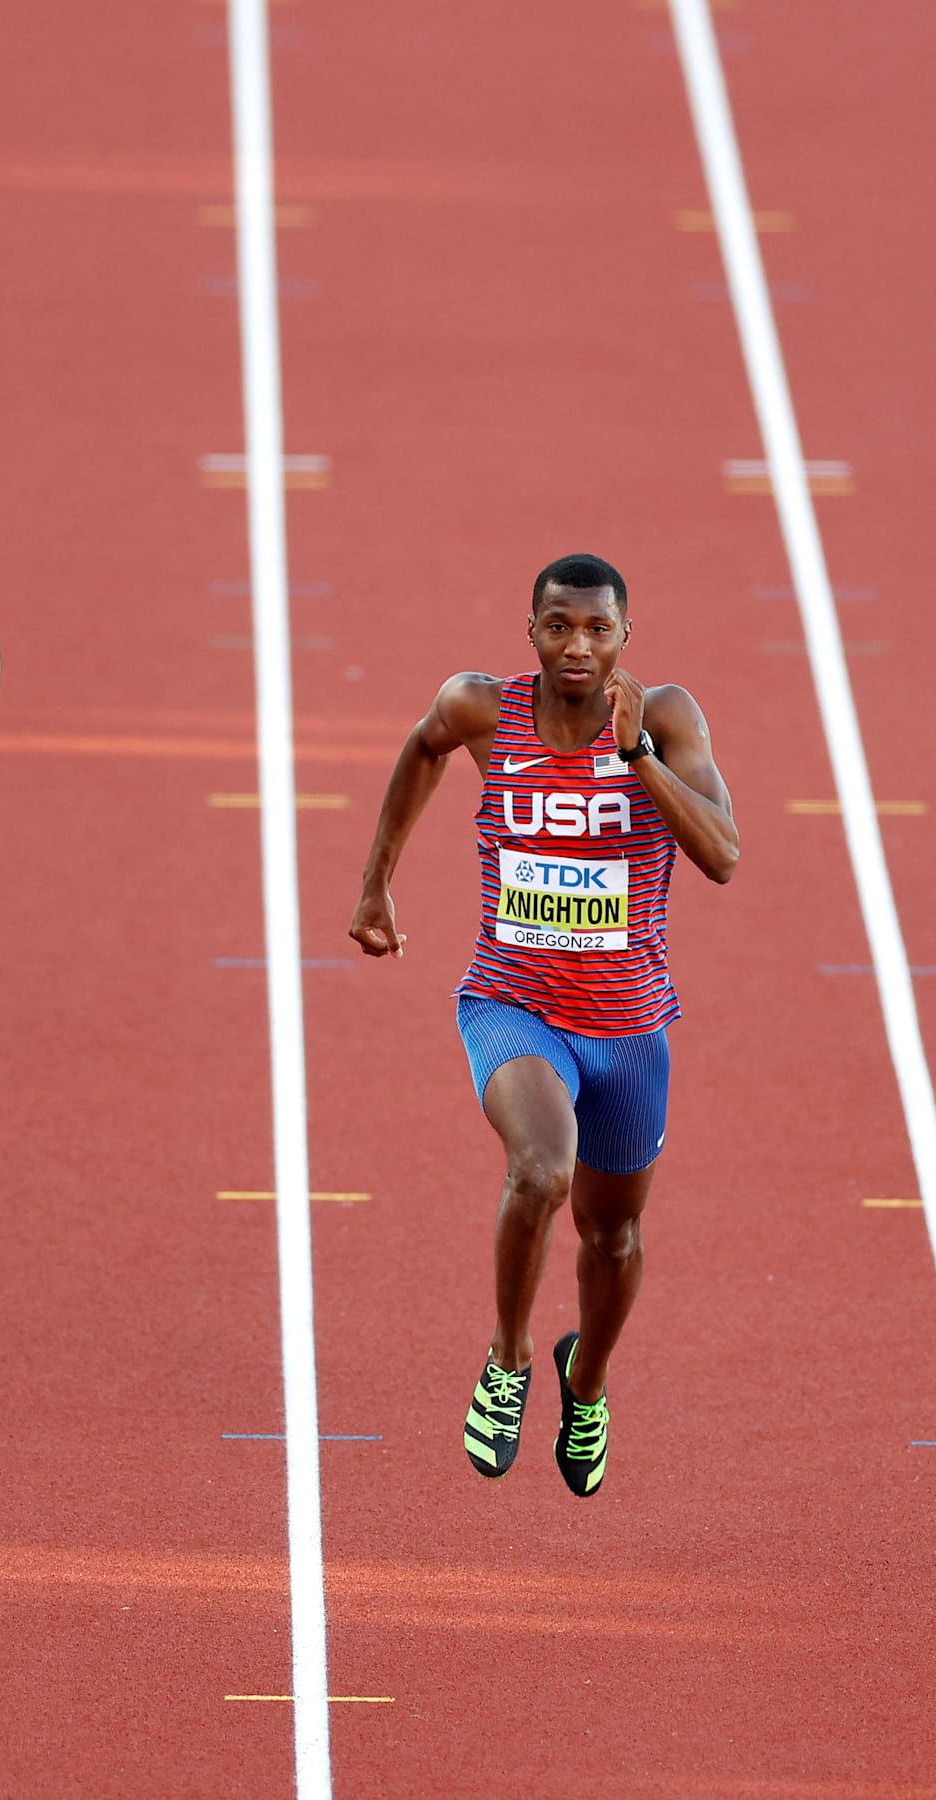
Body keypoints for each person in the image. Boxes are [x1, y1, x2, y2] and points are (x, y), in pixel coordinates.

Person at [348, 554, 738, 1497]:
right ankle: (509, 1359)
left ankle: (587, 1382)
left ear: (624, 639)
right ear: (530, 632)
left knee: (614, 1236)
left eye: (598, 629)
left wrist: (638, 756)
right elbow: (422, 745)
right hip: (513, 1001)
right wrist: (377, 880)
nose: (578, 646)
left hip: (630, 1027)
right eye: (558, 626)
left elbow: (723, 854)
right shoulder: (487, 708)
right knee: (540, 1170)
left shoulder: (668, 718)